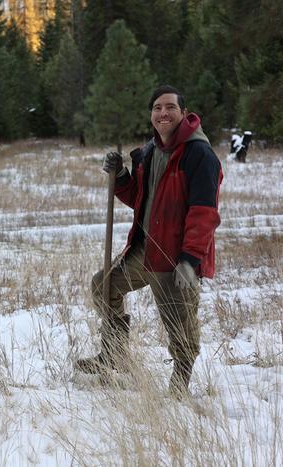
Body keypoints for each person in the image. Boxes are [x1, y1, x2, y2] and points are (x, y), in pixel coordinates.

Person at [76, 85, 223, 397]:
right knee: (104, 286)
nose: (163, 113)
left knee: (179, 322)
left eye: (170, 107)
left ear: (184, 113)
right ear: (151, 115)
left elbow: (204, 214)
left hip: (176, 256)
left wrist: (190, 260)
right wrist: (120, 177)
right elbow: (140, 199)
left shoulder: (199, 155)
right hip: (147, 250)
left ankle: (180, 384)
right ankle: (112, 355)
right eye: (157, 108)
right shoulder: (149, 153)